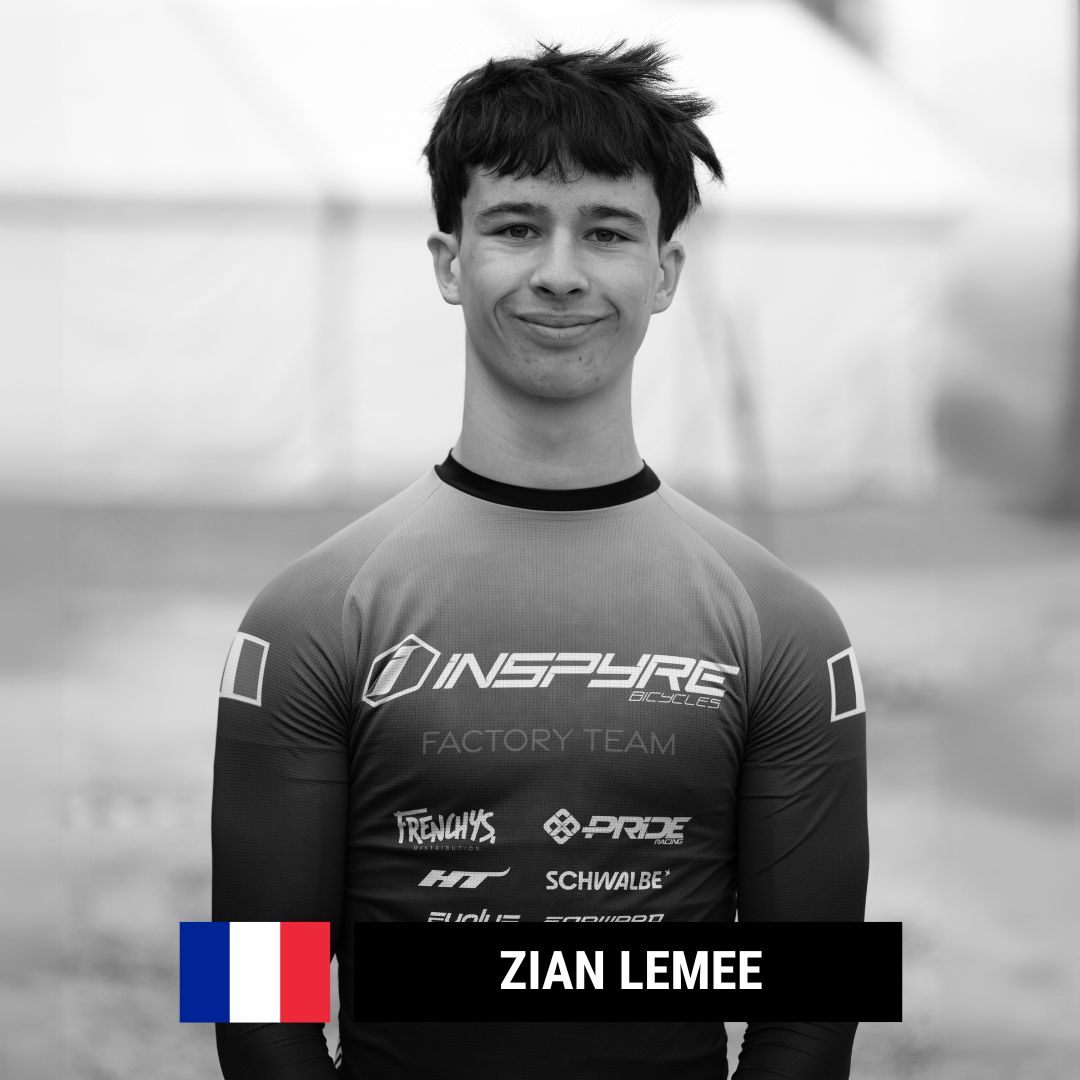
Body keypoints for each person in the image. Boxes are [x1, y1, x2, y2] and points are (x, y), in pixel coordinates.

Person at [212, 40, 868, 1079]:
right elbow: (252, 1010)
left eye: (606, 231)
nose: (560, 274)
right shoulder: (304, 619)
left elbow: (814, 1017)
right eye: (517, 226)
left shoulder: (787, 627)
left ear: (664, 273)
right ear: (449, 262)